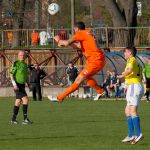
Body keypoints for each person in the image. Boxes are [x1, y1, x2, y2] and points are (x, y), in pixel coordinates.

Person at [48, 21, 105, 102]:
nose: (74, 31)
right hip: (99, 59)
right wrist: (64, 42)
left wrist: (58, 40)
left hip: (95, 61)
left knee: (78, 80)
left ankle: (59, 97)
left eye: (74, 29)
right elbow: (78, 46)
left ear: (76, 28)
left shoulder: (80, 33)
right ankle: (100, 91)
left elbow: (66, 43)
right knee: (87, 78)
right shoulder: (88, 32)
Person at [118, 46, 144, 144]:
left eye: (125, 52)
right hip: (133, 86)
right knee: (127, 111)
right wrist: (126, 86)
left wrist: (121, 75)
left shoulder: (131, 60)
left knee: (132, 111)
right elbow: (132, 73)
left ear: (130, 53)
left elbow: (129, 71)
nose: (124, 54)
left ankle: (138, 134)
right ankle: (130, 135)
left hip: (134, 86)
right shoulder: (135, 61)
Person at [10, 50, 32, 124]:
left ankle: (13, 119)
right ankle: (25, 119)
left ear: (25, 56)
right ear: (18, 56)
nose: (22, 56)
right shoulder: (16, 63)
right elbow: (11, 75)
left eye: (23, 55)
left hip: (22, 85)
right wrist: (14, 84)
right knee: (26, 100)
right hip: (17, 85)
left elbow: (25, 76)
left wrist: (29, 84)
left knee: (18, 101)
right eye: (21, 55)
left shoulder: (25, 65)